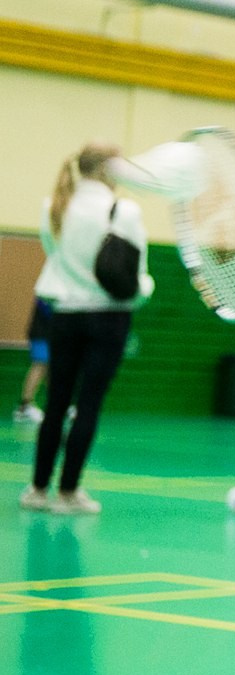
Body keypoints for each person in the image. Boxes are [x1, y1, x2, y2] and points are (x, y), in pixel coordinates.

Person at [20, 142, 154, 515]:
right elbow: (137, 276)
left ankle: (37, 490)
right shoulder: (125, 211)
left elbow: (55, 257)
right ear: (109, 169)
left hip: (65, 316)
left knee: (56, 402)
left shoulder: (55, 207)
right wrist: (143, 291)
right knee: (88, 404)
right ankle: (68, 494)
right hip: (109, 319)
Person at [14, 298, 52, 423]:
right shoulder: (47, 293)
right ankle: (24, 406)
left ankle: (59, 404)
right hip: (41, 334)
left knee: (49, 369)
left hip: (51, 334)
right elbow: (49, 310)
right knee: (40, 365)